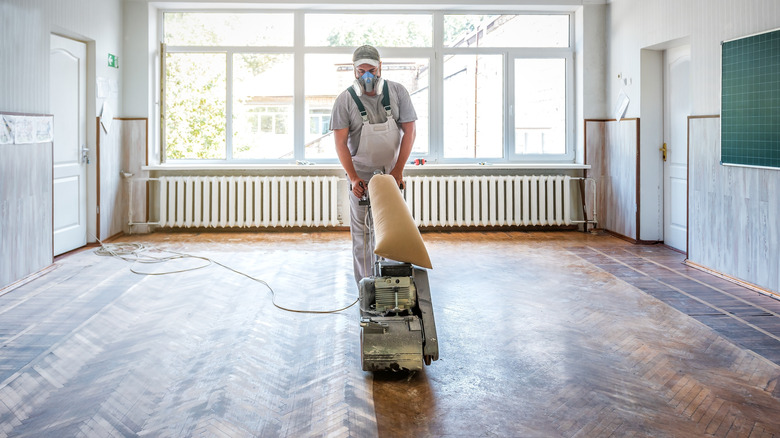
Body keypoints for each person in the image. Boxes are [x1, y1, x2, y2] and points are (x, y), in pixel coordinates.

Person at [330, 45, 417, 285]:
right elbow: (340, 144)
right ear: (354, 72)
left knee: (394, 229)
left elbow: (409, 132)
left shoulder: (398, 93)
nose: (367, 76)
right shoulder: (345, 100)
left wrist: (398, 170)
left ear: (381, 68)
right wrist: (353, 177)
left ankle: (393, 286)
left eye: (372, 69)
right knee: (363, 235)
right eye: (361, 71)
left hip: (392, 174)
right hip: (361, 176)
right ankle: (366, 287)